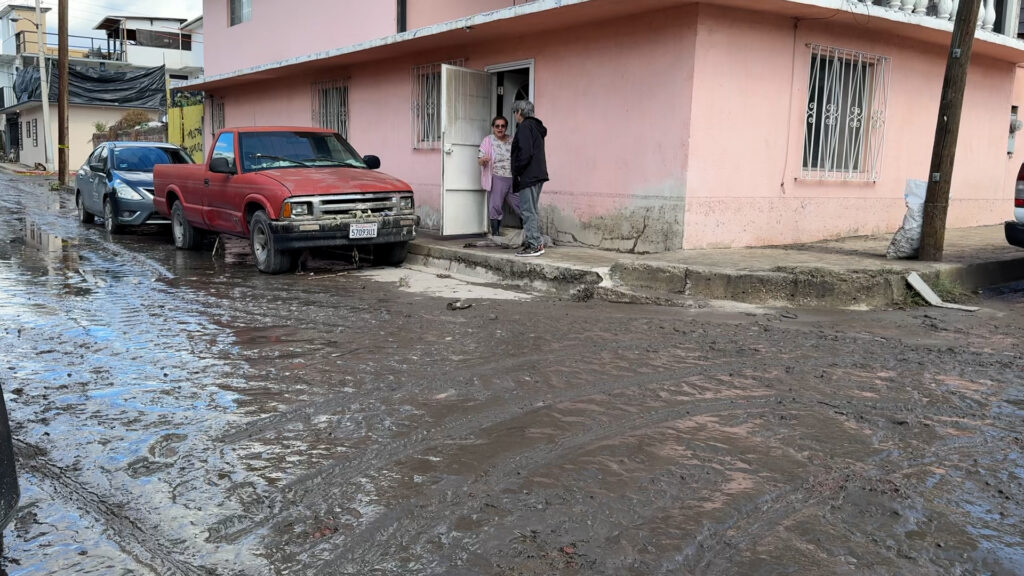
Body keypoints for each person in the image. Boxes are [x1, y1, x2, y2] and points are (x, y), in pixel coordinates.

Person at [510, 99, 548, 257]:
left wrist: (517, 170)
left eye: (514, 112)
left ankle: (534, 245)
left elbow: (525, 152)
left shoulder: (525, 127)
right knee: (531, 210)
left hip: (529, 175)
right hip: (537, 174)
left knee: (527, 211)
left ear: (519, 112)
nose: (514, 116)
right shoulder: (535, 127)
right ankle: (535, 242)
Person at [477, 115, 519, 236]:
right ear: (493, 127)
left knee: (520, 204)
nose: (500, 128)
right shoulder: (488, 140)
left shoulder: (512, 140)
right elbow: (479, 159)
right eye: (497, 126)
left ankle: (527, 232)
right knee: (495, 206)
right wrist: (483, 160)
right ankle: (495, 234)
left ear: (506, 127)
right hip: (497, 177)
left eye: (503, 126)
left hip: (513, 177)